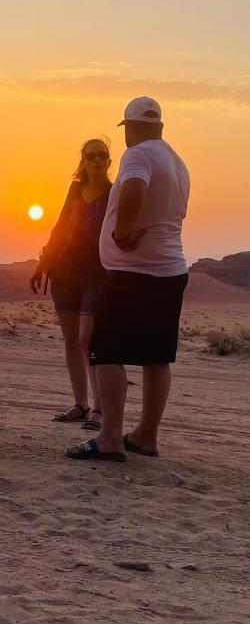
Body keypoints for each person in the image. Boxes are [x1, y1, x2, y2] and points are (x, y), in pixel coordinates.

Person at [66, 97, 190, 463]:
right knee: (156, 359)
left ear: (130, 128)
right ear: (161, 127)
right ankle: (146, 436)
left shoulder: (138, 155)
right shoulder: (177, 161)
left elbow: (134, 188)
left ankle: (109, 439)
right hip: (170, 270)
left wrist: (123, 231)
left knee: (105, 351)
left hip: (134, 274)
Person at [30, 138, 112, 426]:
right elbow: (60, 226)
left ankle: (102, 410)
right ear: (84, 161)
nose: (97, 160)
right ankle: (81, 404)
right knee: (71, 341)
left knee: (88, 339)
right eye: (91, 156)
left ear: (109, 162)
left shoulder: (114, 194)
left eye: (102, 155)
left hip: (97, 275)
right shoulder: (75, 190)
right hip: (65, 273)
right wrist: (42, 264)